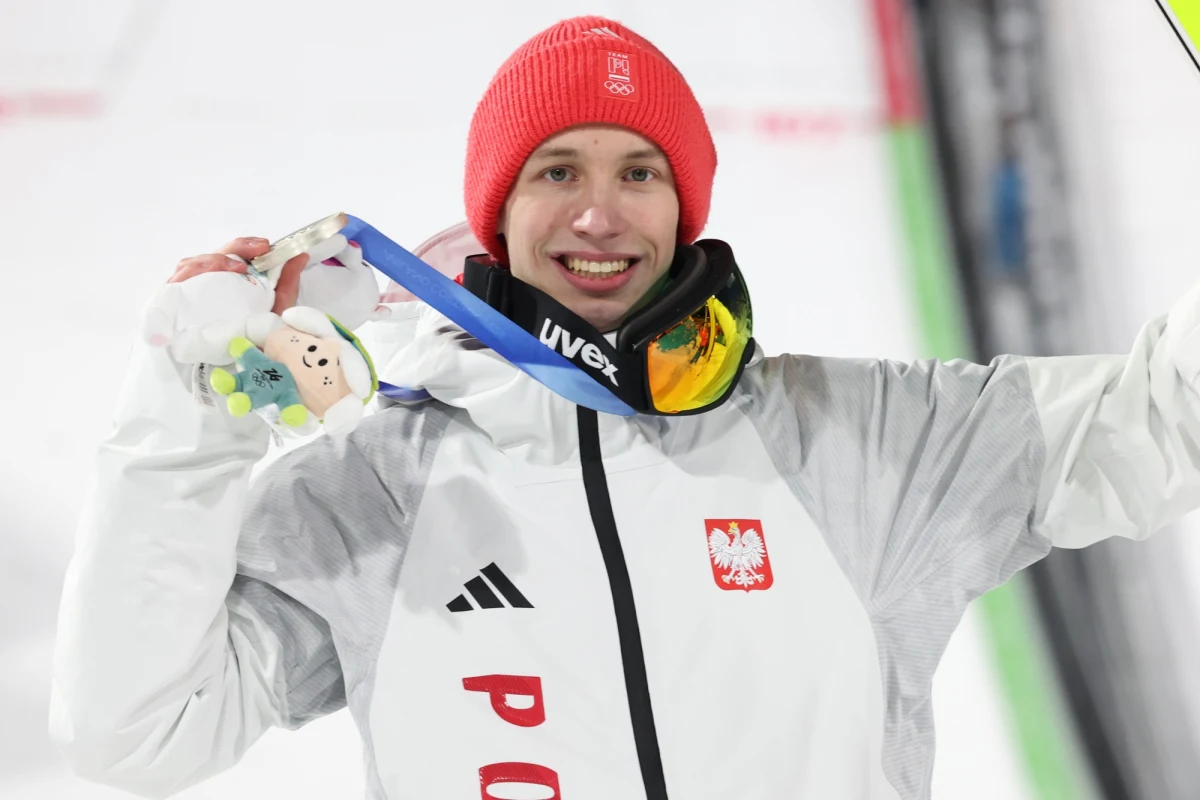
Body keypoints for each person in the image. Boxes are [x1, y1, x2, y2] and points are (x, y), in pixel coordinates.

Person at [48, 14, 1200, 800]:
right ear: (497, 214)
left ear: (684, 207)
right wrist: (193, 416)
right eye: (558, 171)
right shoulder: (382, 489)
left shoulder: (858, 447)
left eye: (637, 172)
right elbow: (133, 724)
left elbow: (1160, 417)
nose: (600, 214)